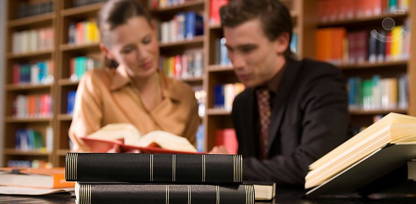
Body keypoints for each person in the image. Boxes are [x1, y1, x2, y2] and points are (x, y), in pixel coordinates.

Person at [212, 0, 348, 187]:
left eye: (247, 49)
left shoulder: (321, 81)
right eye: (230, 50)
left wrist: (231, 167)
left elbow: (315, 166)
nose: (236, 63)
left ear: (282, 42)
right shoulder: (241, 102)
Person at [69, 0, 200, 152]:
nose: (143, 55)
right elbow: (81, 155)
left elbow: (190, 158)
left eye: (147, 40)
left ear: (153, 30)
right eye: (128, 49)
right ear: (108, 52)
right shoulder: (95, 84)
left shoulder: (185, 95)